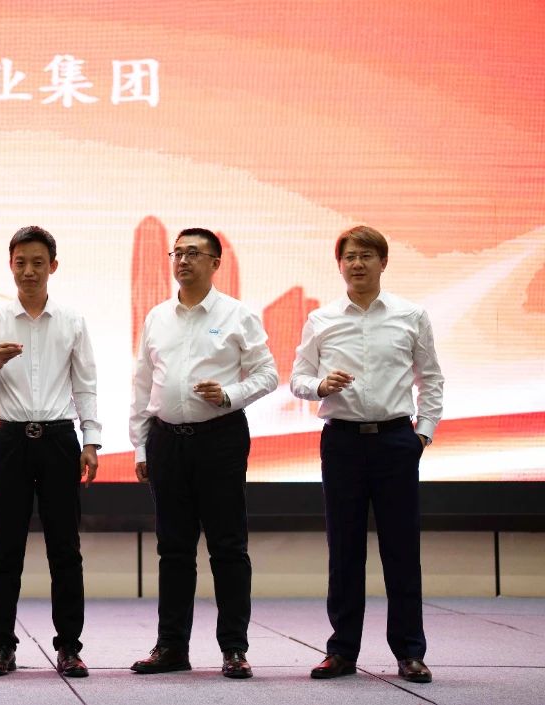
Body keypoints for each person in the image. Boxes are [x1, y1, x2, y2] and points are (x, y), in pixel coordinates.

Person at [291, 225, 443, 684]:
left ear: (383, 262)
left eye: (366, 255)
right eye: (350, 257)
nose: (357, 264)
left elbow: (431, 379)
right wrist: (320, 385)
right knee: (344, 549)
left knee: (402, 549)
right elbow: (298, 378)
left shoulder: (411, 315)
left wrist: (422, 434)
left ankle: (410, 653)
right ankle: (341, 651)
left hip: (396, 441)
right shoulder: (321, 319)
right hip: (342, 443)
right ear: (339, 265)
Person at [129, 227, 277, 679]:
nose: (183, 260)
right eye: (177, 252)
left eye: (193, 253)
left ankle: (234, 648)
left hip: (220, 439)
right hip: (166, 441)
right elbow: (142, 383)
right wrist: (140, 444)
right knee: (173, 549)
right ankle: (171, 647)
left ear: (215, 263)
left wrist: (230, 394)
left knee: (227, 546)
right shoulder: (157, 317)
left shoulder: (237, 315)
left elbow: (268, 375)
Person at [0, 225, 100, 678]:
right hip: (10, 442)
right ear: (11, 265)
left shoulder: (72, 320)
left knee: (66, 549)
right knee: (6, 548)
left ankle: (69, 648)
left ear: (53, 267)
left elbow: (85, 384)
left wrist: (92, 440)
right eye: (21, 262)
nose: (29, 271)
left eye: (38, 263)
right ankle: (2, 646)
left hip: (60, 440)